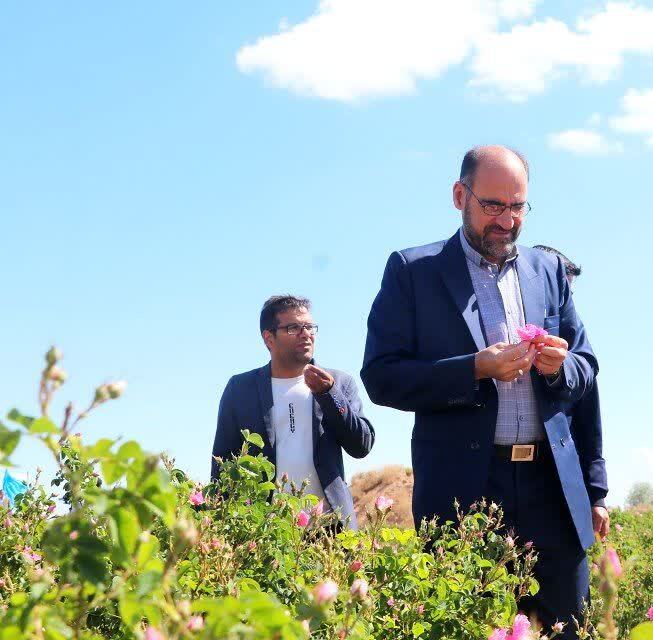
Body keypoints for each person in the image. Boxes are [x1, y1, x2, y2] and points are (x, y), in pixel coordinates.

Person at [361, 146, 599, 636]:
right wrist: (473, 368)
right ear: (459, 196)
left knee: (568, 629)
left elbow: (586, 367)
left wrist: (558, 368)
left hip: (551, 489)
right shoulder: (412, 271)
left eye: (518, 208)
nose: (507, 221)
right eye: (493, 206)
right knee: (468, 626)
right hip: (466, 489)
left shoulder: (548, 270)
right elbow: (381, 375)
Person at [211, 295, 375, 530]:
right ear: (269, 338)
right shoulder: (240, 389)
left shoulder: (338, 383)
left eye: (309, 327)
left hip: (332, 530)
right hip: (267, 533)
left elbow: (361, 446)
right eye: (293, 328)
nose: (305, 333)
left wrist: (329, 395)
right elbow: (223, 463)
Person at [532, 245, 609, 539]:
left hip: (565, 486)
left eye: (569, 293)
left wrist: (597, 495)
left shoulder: (576, 351)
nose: (565, 302)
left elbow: (591, 424)